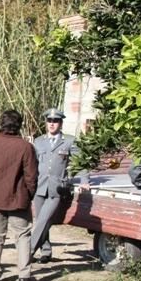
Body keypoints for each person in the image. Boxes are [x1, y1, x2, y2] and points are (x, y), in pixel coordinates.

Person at [0, 110, 40, 281]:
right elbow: (32, 176)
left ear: (1, 123)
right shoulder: (25, 147)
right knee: (22, 237)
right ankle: (24, 276)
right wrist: (29, 195)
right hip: (18, 199)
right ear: (19, 125)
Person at [30, 108, 89, 262]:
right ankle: (46, 252)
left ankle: (28, 251)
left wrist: (84, 180)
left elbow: (79, 163)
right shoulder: (38, 141)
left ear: (61, 123)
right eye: (49, 121)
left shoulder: (69, 141)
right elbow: (32, 164)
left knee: (44, 219)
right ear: (45, 122)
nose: (52, 124)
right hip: (40, 186)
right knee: (42, 220)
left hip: (57, 187)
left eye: (55, 121)